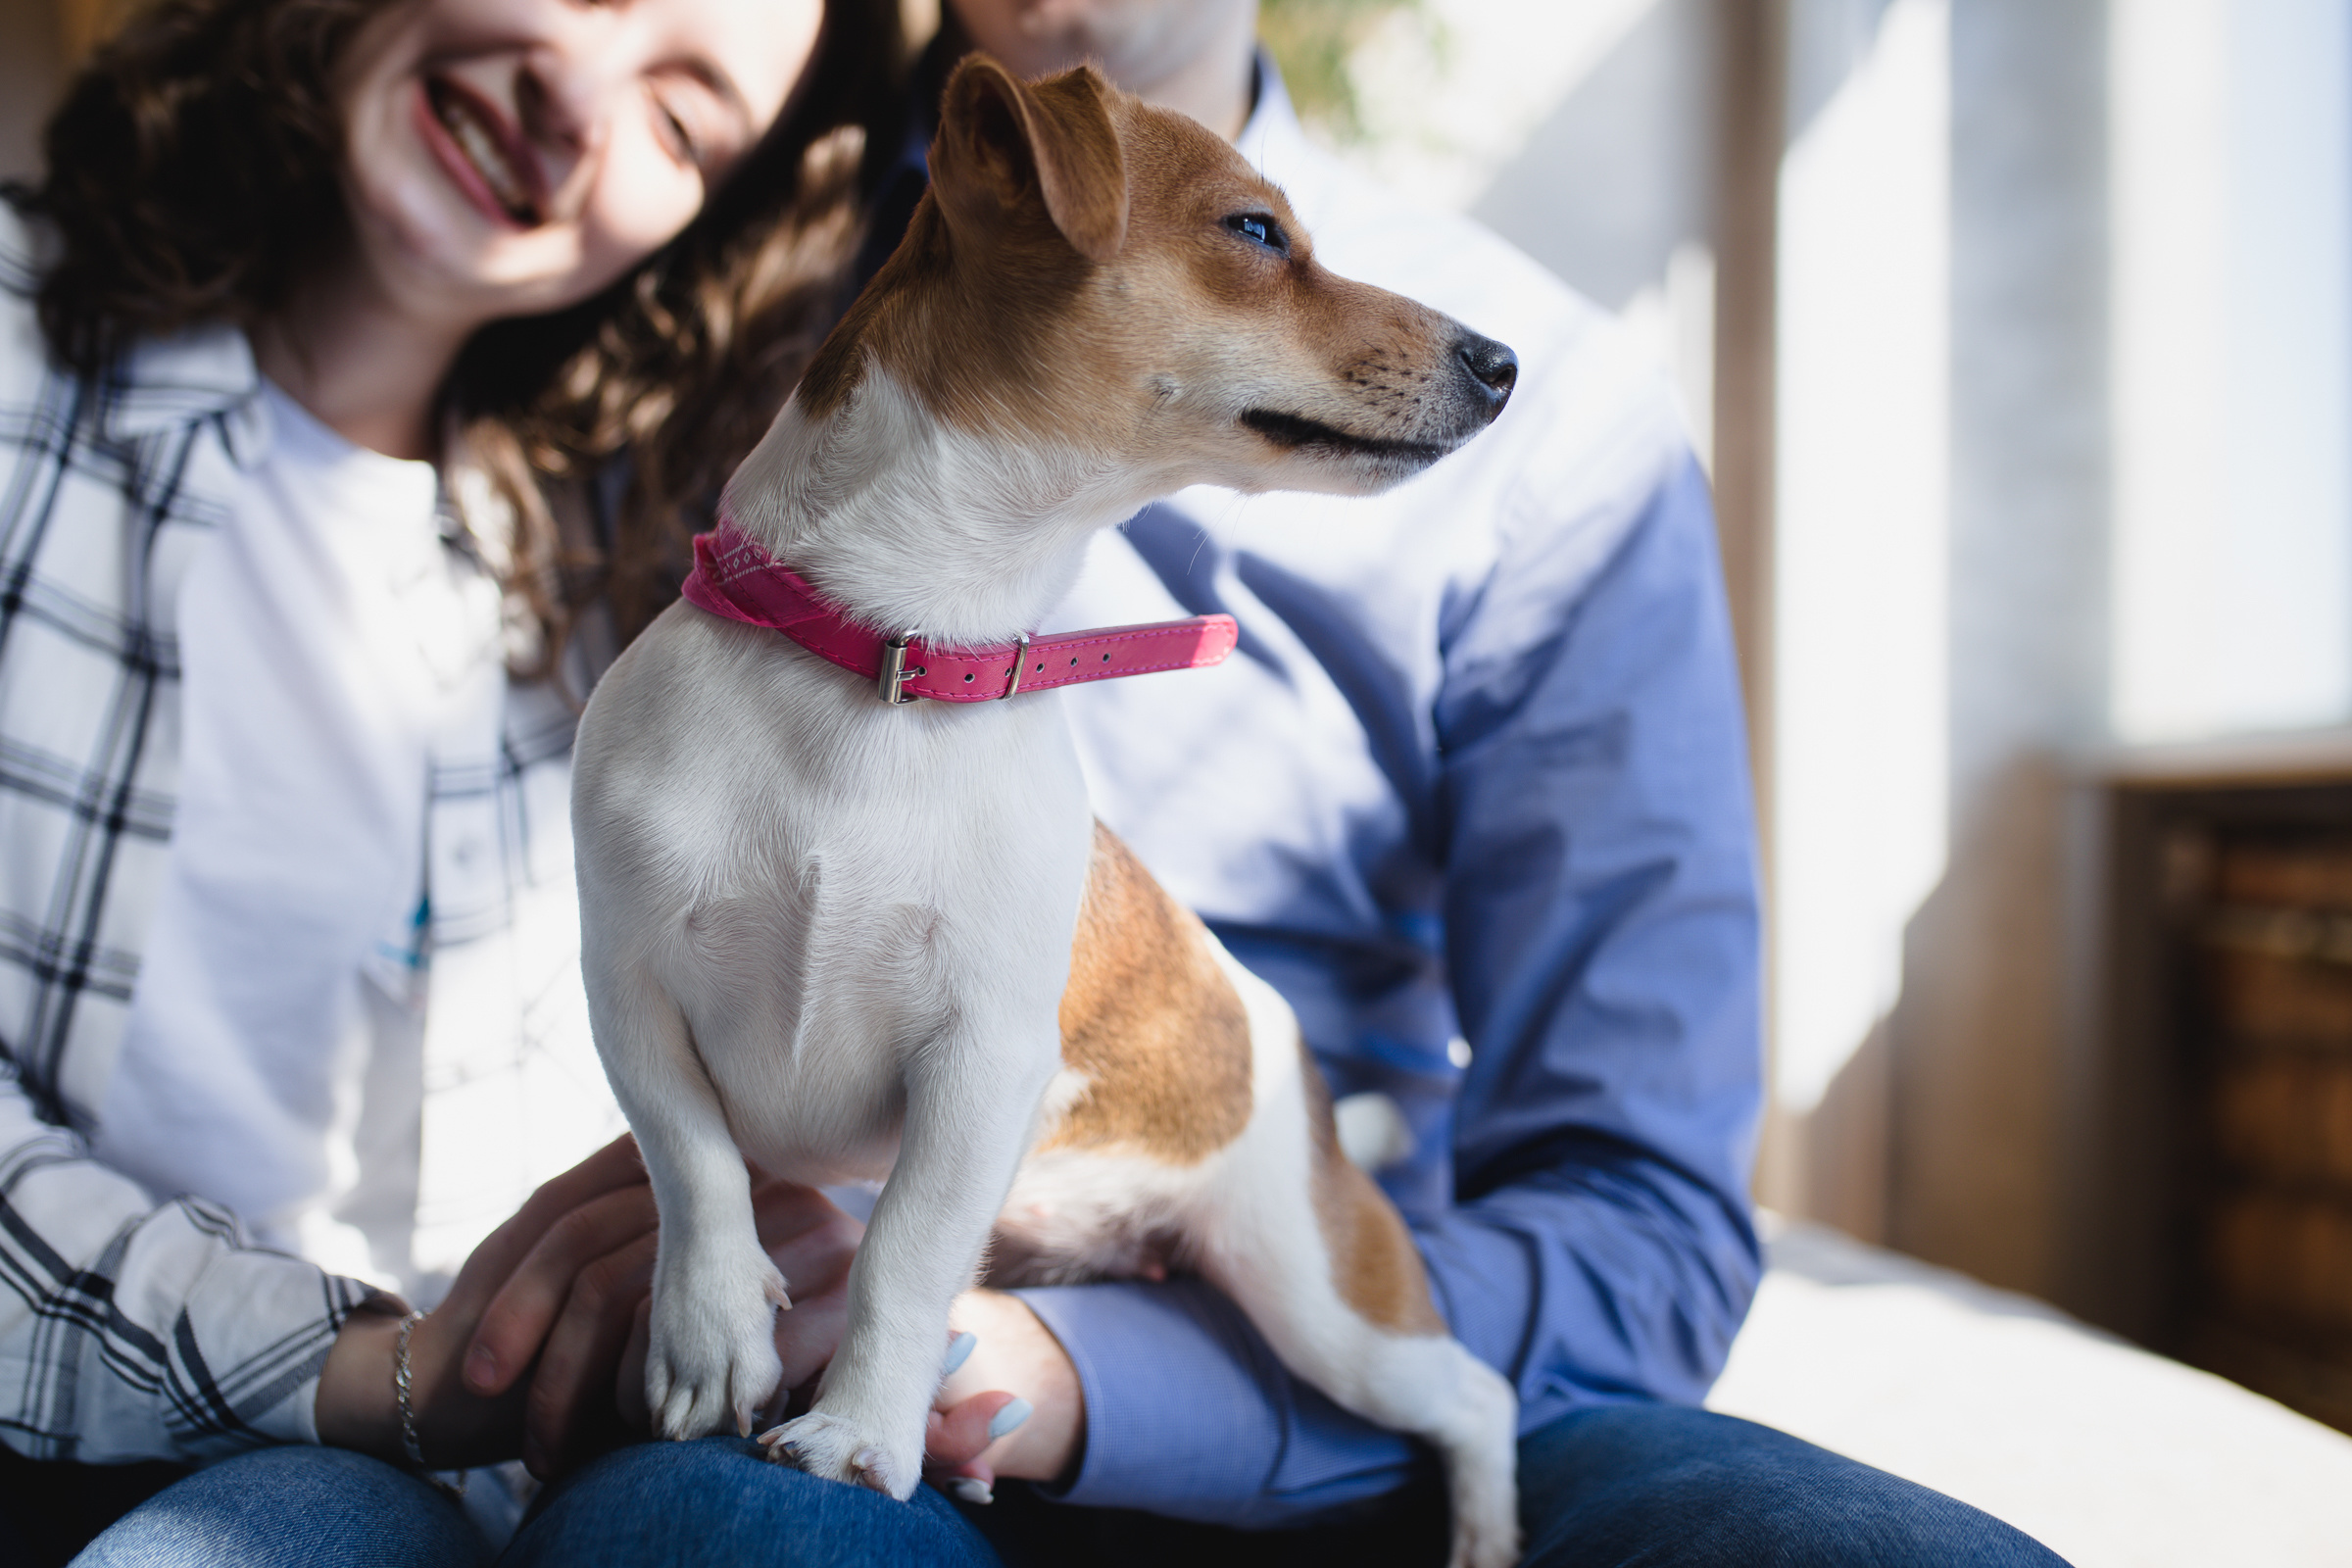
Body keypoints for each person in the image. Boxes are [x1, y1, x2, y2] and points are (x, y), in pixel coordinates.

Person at [502, 5, 2079, 1565]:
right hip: (806, 1311)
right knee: (716, 1542)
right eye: (1255, 243)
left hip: (1303, 1307)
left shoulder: (1572, 445)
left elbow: (1643, 1216)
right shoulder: (680, 266)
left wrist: (1066, 1378)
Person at [0, 0, 1012, 1560]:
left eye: (683, 123)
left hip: (520, 1461)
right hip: (199, 1426)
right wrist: (375, 1372)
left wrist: (781, 1256)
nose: (574, 94)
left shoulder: (649, 582)